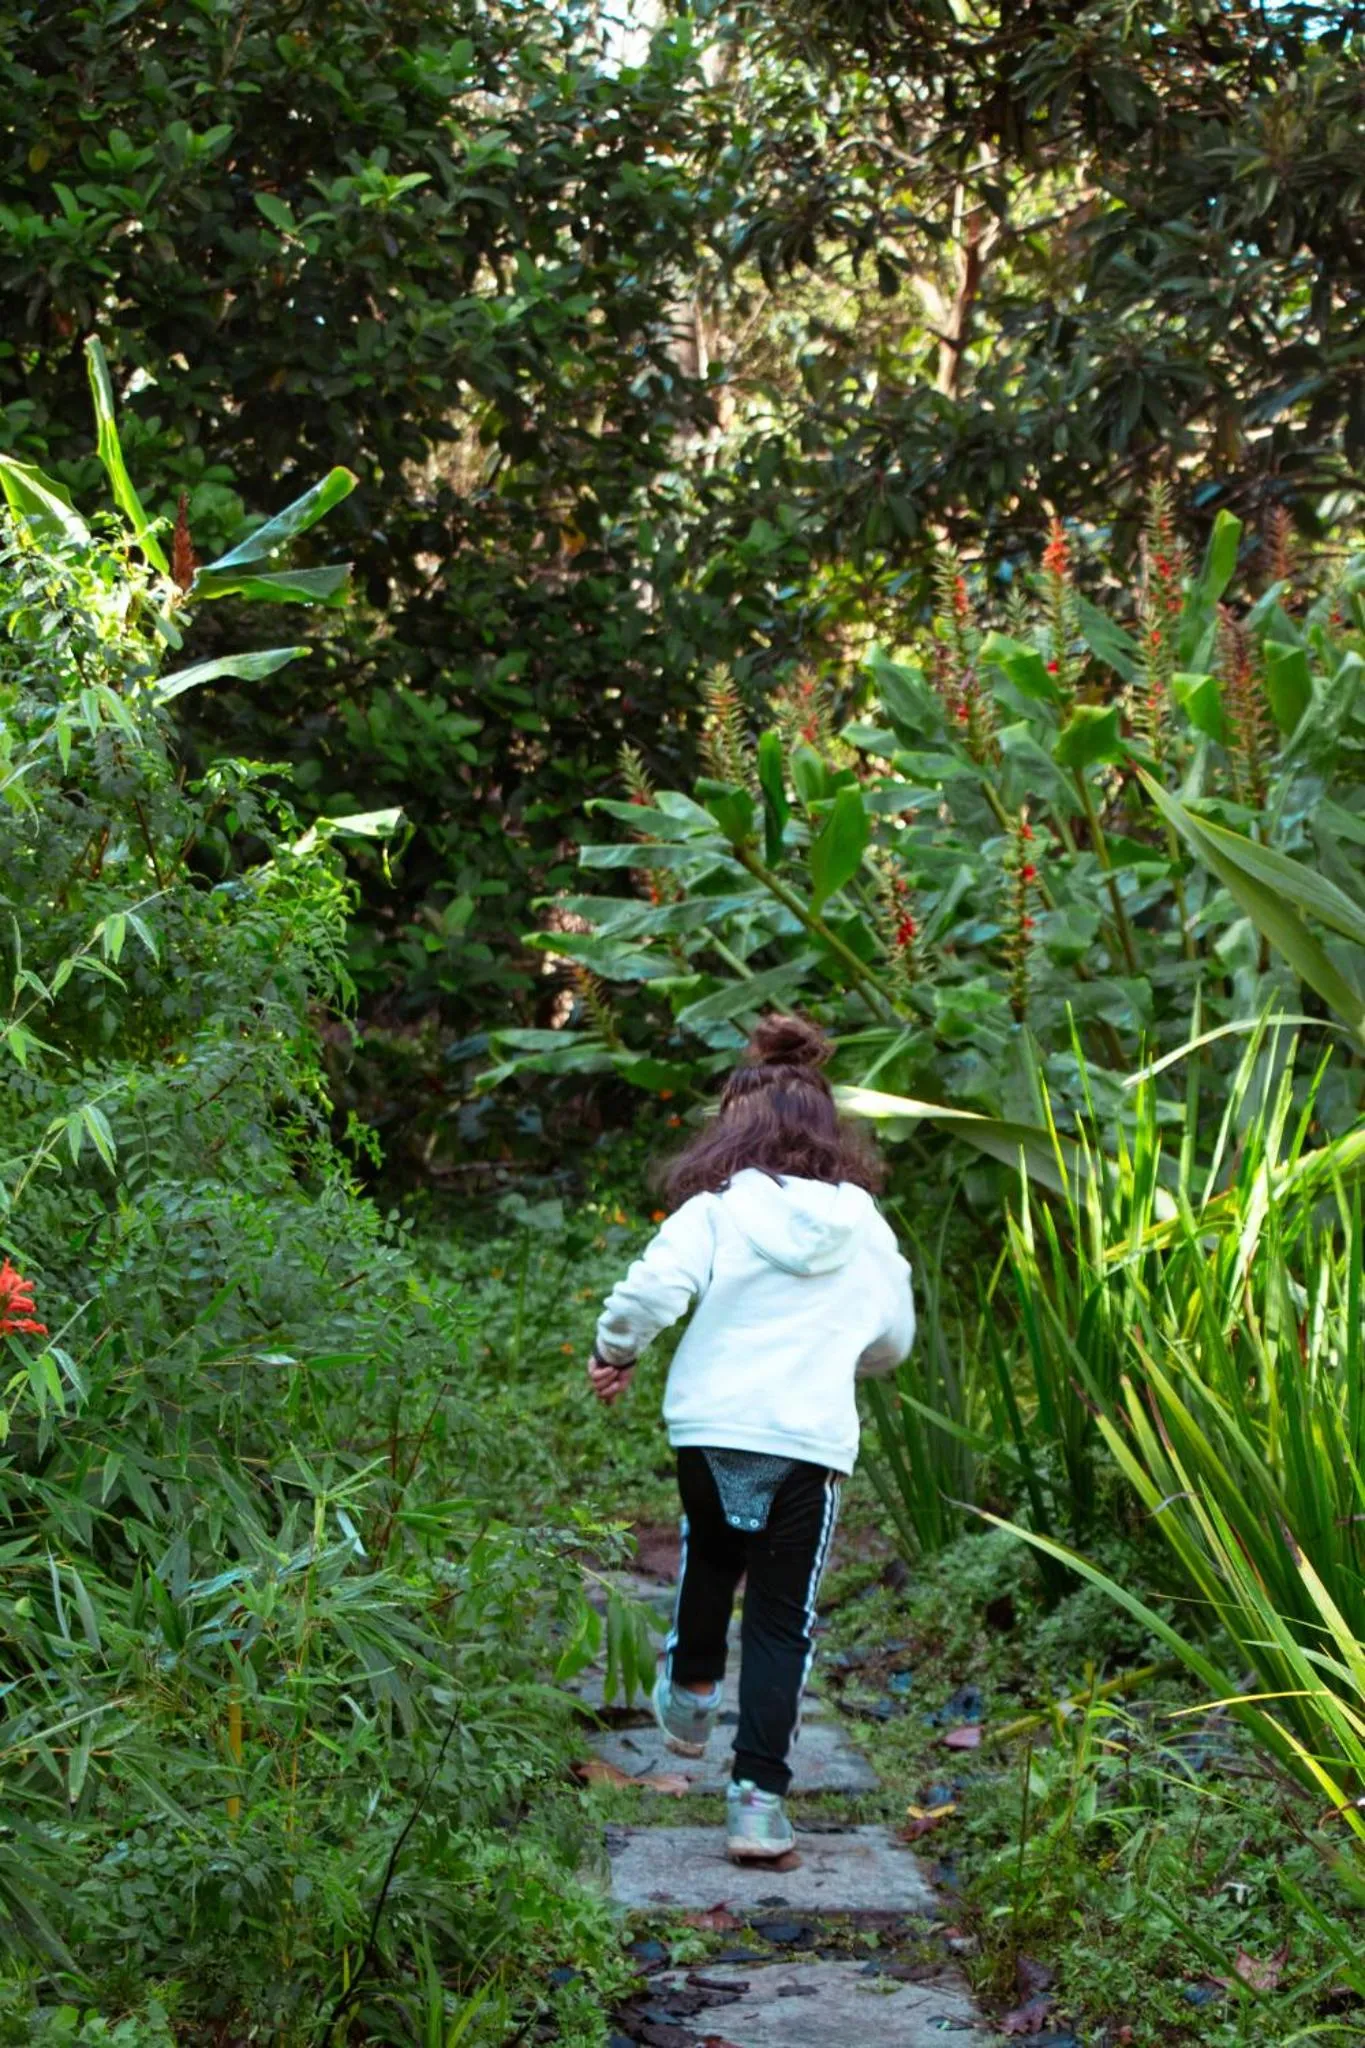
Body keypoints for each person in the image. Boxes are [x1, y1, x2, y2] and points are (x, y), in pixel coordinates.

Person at [586, 1013, 916, 1863]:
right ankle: (759, 1803)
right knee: (781, 1617)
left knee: (709, 1554)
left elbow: (650, 1290)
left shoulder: (716, 1211)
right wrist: (854, 1354)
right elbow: (892, 1337)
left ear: (734, 1125)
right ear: (827, 1132)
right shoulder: (867, 1227)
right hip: (808, 1440)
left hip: (713, 1427)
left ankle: (692, 1689)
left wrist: (612, 1351)